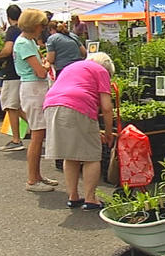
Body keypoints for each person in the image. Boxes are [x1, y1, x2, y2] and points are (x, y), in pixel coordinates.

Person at [44, 52, 114, 210]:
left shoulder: (72, 66)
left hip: (51, 105)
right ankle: (90, 198)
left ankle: (73, 196)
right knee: (92, 156)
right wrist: (108, 133)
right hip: (77, 105)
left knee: (70, 154)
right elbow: (107, 108)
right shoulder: (101, 71)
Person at [13, 9, 58, 192]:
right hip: (33, 88)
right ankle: (32, 179)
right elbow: (40, 71)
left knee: (39, 134)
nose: (43, 28)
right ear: (36, 25)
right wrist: (47, 63)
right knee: (37, 135)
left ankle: (37, 175)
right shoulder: (24, 43)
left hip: (35, 87)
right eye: (42, 25)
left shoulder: (27, 41)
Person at [0, 5, 26, 151]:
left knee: (11, 105)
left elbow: (8, 50)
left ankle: (16, 139)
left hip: (11, 73)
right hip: (22, 72)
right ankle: (39, 130)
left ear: (8, 17)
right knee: (20, 106)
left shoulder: (12, 30)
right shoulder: (24, 30)